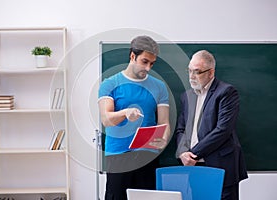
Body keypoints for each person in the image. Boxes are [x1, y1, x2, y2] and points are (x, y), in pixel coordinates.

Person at [98, 35, 170, 200]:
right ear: (132, 56)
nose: (148, 67)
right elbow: (106, 119)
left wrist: (164, 139)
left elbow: (164, 122)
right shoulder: (110, 84)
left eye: (152, 63)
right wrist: (125, 113)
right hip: (118, 155)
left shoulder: (159, 87)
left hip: (147, 155)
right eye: (144, 62)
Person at [175, 50, 248, 200]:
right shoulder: (186, 96)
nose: (191, 76)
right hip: (194, 167)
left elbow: (222, 130)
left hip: (221, 166)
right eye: (189, 71)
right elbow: (181, 129)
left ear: (211, 72)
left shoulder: (226, 92)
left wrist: (193, 154)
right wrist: (183, 152)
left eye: (197, 72)